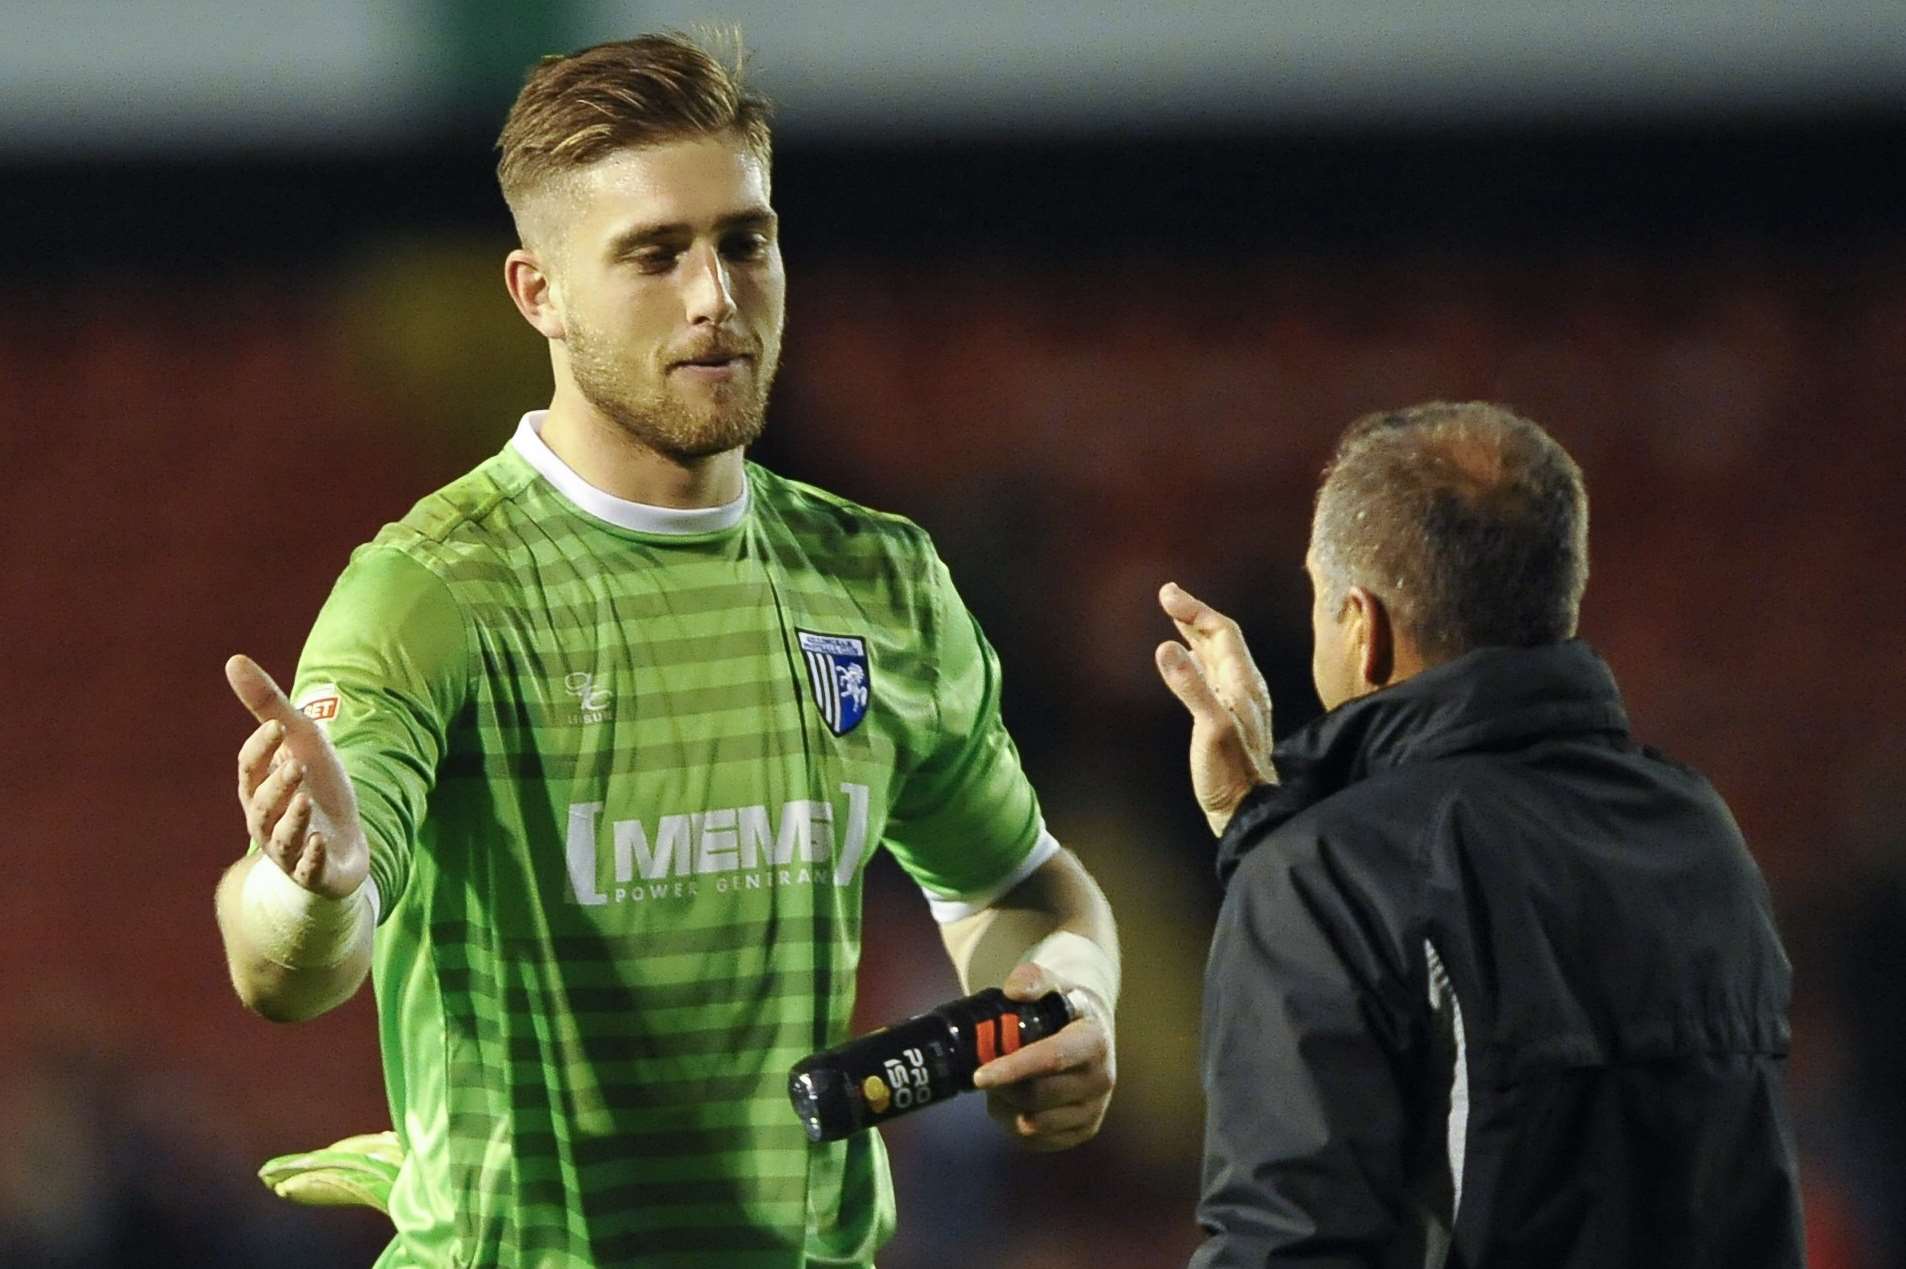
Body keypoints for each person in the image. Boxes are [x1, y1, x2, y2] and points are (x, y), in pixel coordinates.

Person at [213, 32, 1119, 1268]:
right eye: (654, 255)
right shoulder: (432, 593)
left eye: (744, 241)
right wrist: (308, 883)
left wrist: (1070, 1000)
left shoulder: (881, 578)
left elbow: (1010, 886)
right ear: (538, 293)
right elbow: (286, 962)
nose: (716, 297)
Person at [1154, 401, 1801, 1268]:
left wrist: (1274, 853)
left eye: (1317, 592)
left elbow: (1289, 1244)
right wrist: (1264, 827)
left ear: (1362, 624)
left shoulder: (1325, 879)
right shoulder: (1699, 830)